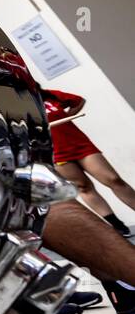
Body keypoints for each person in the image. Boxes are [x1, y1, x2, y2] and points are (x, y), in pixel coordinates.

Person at [42, 88, 135, 236]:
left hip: (80, 144)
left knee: (114, 179)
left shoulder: (46, 95)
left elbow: (78, 101)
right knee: (83, 187)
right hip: (54, 152)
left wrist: (65, 117)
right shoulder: (12, 105)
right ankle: (117, 225)